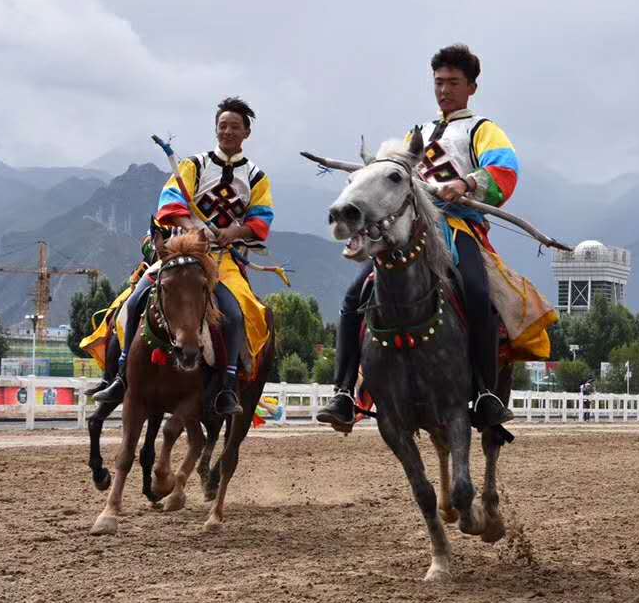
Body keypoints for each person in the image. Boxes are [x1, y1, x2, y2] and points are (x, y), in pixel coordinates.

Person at [317, 44, 525, 430]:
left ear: (471, 87)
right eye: (439, 82)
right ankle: (344, 392)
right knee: (353, 298)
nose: (444, 90)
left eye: (453, 83)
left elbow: (505, 171)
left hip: (459, 228)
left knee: (479, 296)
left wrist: (465, 183)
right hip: (408, 230)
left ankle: (483, 392)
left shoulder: (483, 130)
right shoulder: (417, 133)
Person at [92, 97, 274, 416]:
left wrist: (231, 233)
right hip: (181, 252)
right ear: (216, 129)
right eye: (222, 126)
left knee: (238, 310)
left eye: (234, 127)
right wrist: (193, 227)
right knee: (133, 301)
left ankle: (229, 385)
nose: (227, 132)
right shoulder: (194, 165)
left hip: (223, 261)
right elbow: (171, 202)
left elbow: (261, 219)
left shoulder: (257, 177)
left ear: (246, 132)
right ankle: (119, 376)